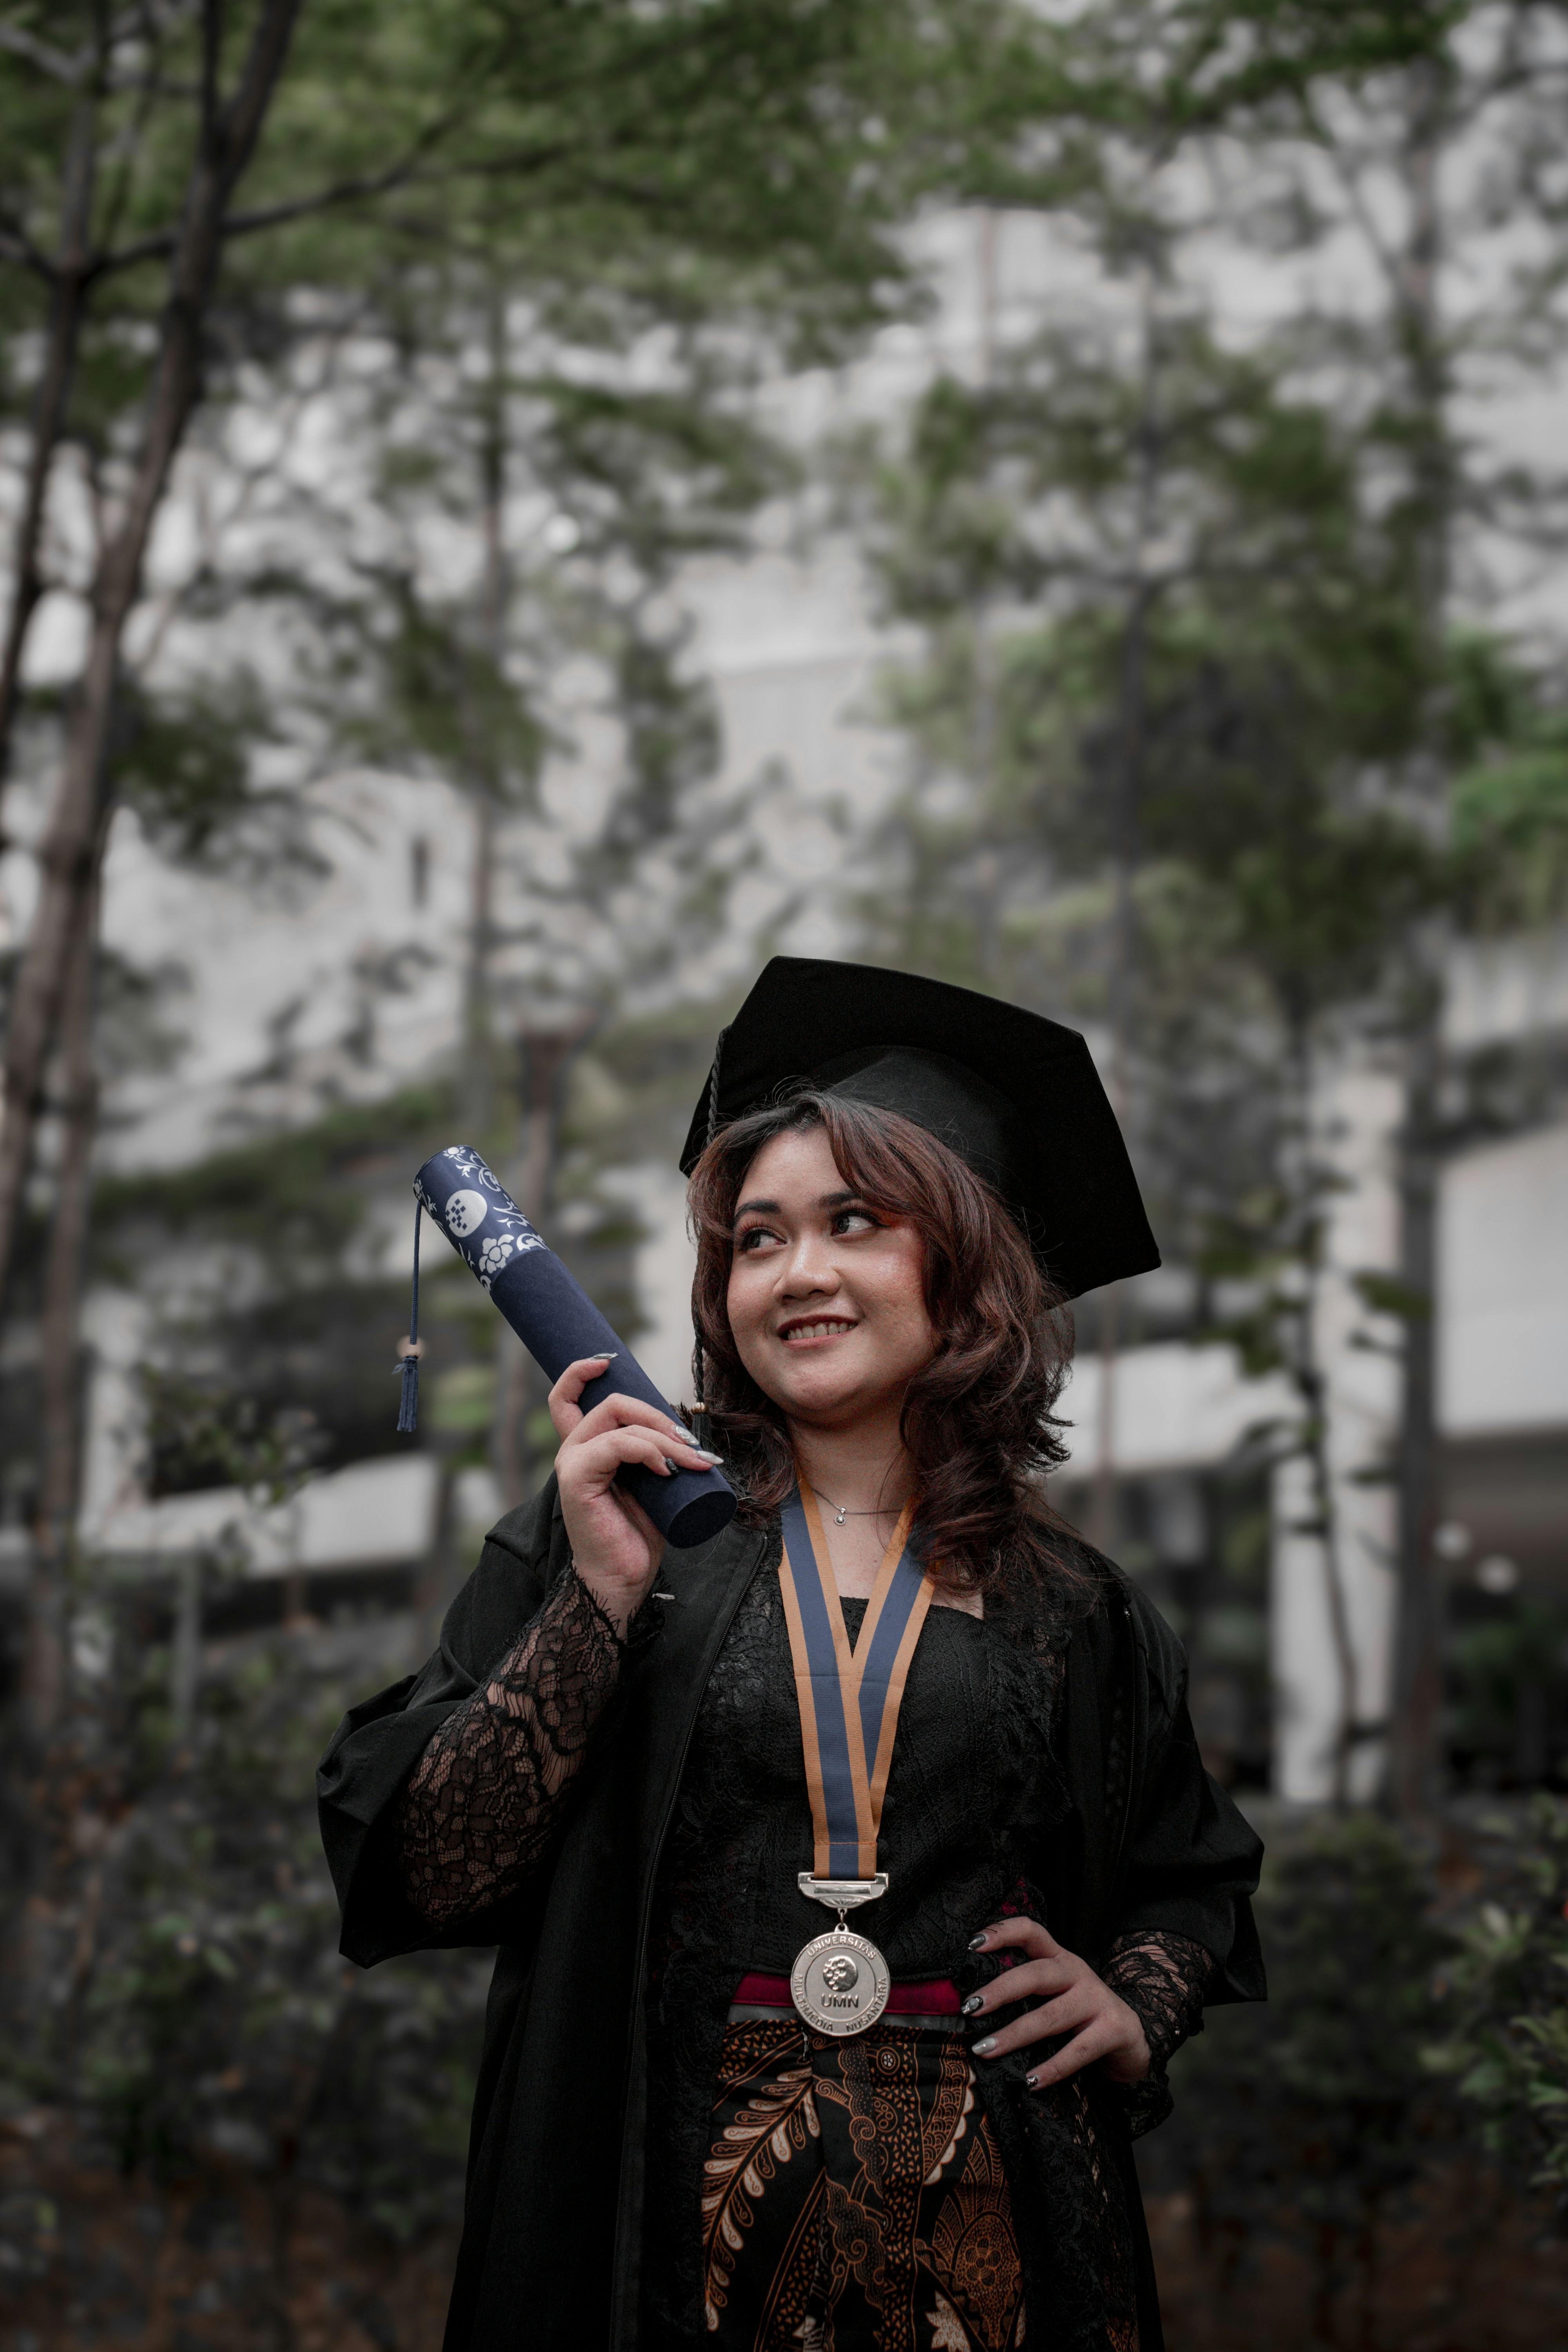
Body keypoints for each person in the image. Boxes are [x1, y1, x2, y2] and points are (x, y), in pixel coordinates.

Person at [318, 958, 1265, 2352]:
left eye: (855, 1222)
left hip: (998, 2239)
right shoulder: (614, 1520)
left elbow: (1187, 1877)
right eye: (757, 1239)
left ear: (966, 1260)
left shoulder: (1075, 1603)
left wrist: (1134, 2005)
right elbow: (431, 1871)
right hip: (661, 2228)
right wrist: (597, 1603)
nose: (799, 1272)